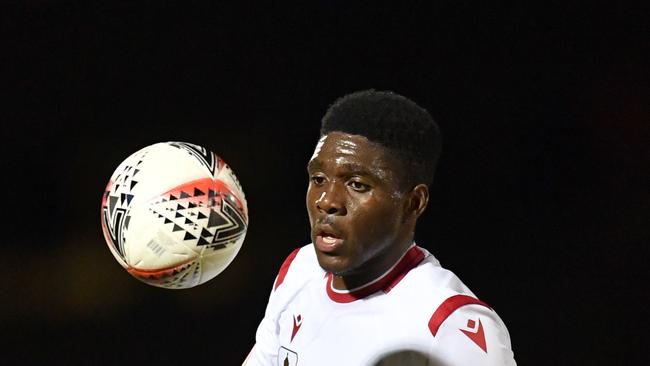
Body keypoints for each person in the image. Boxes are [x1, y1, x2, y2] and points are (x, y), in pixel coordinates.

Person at [243, 90, 516, 366]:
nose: (327, 201)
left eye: (357, 184)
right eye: (319, 179)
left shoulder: (449, 326)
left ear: (413, 202)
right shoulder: (299, 270)